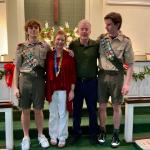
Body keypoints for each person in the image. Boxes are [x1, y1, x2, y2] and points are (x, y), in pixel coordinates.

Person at [97, 12, 134, 148]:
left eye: (109, 25)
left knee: (116, 107)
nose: (106, 27)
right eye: (105, 24)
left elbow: (130, 64)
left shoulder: (126, 41)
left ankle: (116, 134)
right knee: (101, 107)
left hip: (117, 77)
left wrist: (127, 83)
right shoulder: (102, 39)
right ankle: (102, 131)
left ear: (117, 25)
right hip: (102, 76)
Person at [14, 19, 50, 150]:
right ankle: (26, 137)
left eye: (36, 28)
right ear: (27, 30)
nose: (33, 30)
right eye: (31, 28)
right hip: (24, 80)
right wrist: (15, 87)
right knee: (25, 110)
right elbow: (16, 69)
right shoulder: (21, 47)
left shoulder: (45, 46)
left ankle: (41, 135)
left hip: (39, 81)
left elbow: (52, 61)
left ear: (39, 30)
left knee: (39, 110)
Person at [69, 19, 99, 144]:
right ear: (78, 30)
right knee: (77, 110)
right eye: (82, 29)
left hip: (92, 82)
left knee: (92, 109)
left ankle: (94, 134)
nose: (84, 31)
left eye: (87, 29)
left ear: (90, 30)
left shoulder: (96, 45)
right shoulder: (73, 45)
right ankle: (76, 133)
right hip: (78, 83)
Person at [45, 30, 76, 148]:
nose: (60, 42)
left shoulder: (69, 55)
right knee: (53, 113)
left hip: (64, 89)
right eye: (58, 39)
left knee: (63, 114)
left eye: (62, 40)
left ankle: (62, 136)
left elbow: (73, 74)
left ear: (65, 42)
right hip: (52, 88)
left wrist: (72, 90)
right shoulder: (49, 55)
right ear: (54, 40)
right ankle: (53, 136)